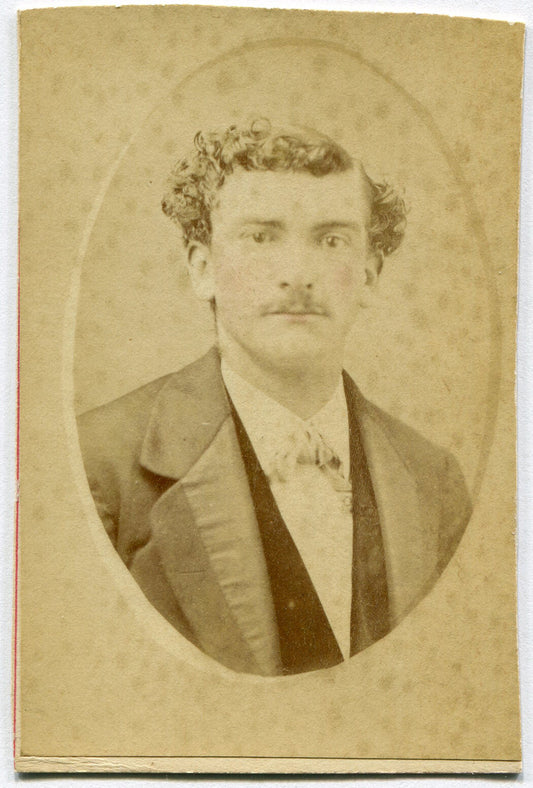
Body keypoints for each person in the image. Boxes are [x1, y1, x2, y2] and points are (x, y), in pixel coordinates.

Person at [78, 119, 472, 677]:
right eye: (261, 236)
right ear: (203, 267)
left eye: (331, 239)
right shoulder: (99, 465)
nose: (297, 273)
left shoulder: (435, 482)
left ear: (370, 274)